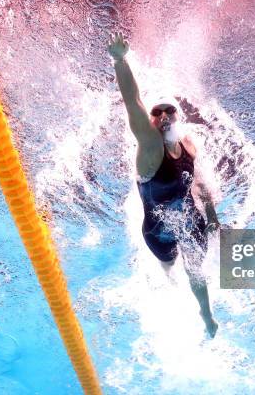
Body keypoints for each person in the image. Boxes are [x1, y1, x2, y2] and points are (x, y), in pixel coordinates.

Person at [107, 32, 220, 338]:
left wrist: (211, 213)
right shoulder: (150, 147)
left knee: (196, 272)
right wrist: (120, 60)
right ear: (152, 120)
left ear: (178, 116)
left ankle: (206, 315)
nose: (164, 116)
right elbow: (133, 102)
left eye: (170, 110)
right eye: (157, 112)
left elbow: (197, 182)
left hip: (191, 221)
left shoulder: (187, 143)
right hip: (158, 231)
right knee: (169, 271)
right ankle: (168, 290)